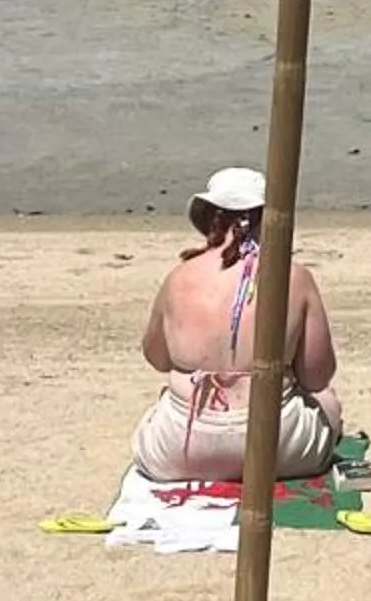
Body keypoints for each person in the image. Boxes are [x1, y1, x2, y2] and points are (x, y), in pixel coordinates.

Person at [133, 165, 343, 482]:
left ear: (209, 219)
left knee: (160, 408)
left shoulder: (180, 277)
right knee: (329, 403)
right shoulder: (294, 276)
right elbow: (318, 375)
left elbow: (156, 357)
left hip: (184, 447)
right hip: (274, 444)